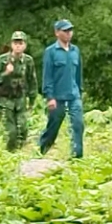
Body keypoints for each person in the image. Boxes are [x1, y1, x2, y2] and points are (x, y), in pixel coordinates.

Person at [39, 19, 85, 159]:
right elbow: (47, 75)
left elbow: (78, 74)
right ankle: (42, 150)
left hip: (74, 95)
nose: (68, 33)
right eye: (65, 31)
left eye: (70, 30)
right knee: (53, 126)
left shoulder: (75, 50)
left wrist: (80, 91)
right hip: (57, 97)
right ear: (57, 33)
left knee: (78, 124)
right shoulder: (51, 52)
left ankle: (77, 157)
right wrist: (49, 96)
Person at [0, 31, 39, 152]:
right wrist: (5, 73)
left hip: (20, 99)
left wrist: (32, 100)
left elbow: (32, 81)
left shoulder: (28, 61)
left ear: (25, 45)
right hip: (4, 100)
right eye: (15, 43)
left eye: (20, 43)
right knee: (11, 133)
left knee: (23, 130)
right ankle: (9, 155)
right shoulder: (1, 60)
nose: (18, 46)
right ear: (11, 44)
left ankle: (18, 153)